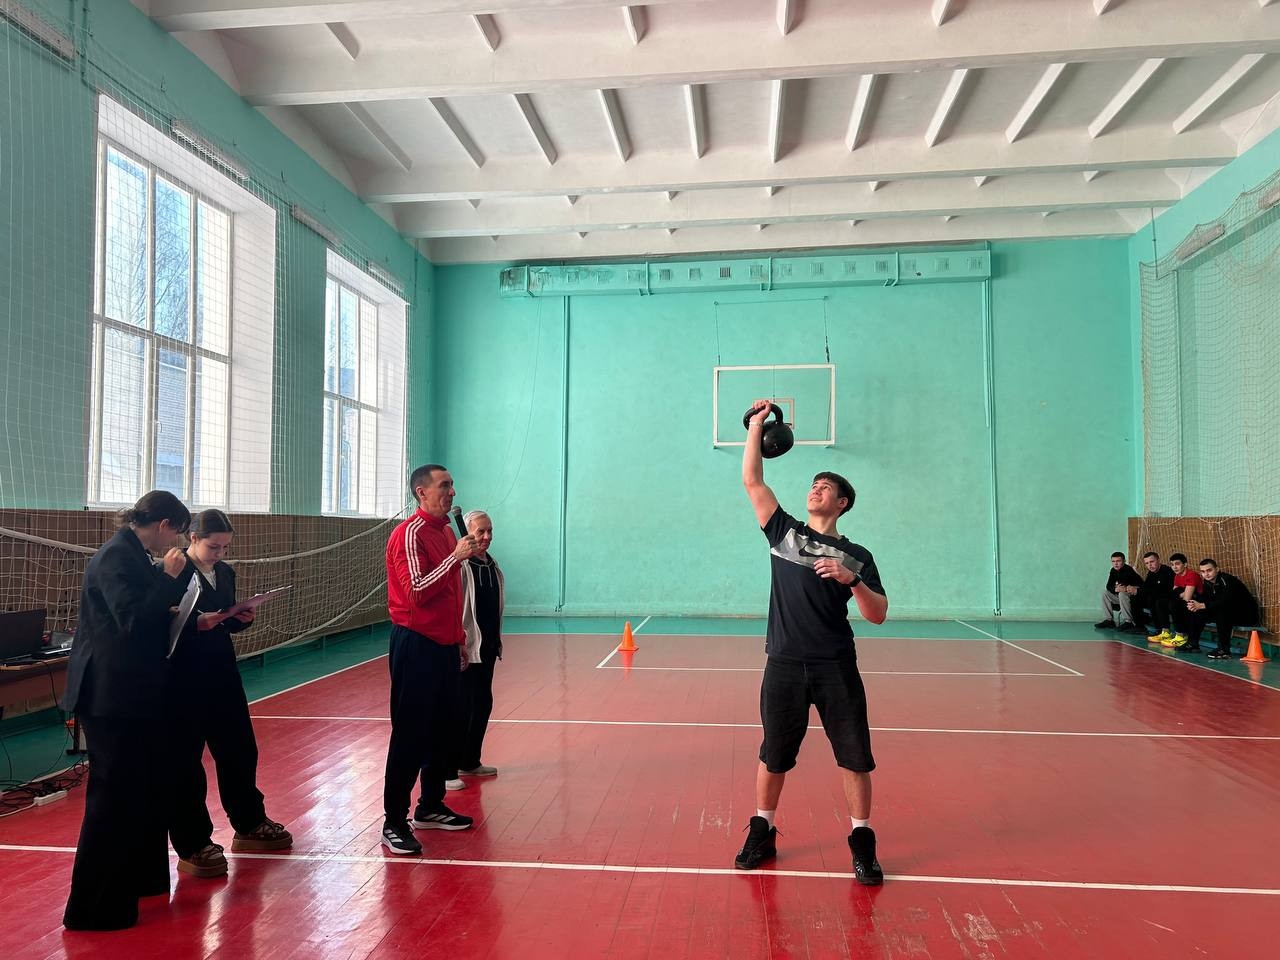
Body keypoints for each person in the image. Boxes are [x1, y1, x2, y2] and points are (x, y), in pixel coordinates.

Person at [737, 399, 889, 885]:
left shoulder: (857, 555)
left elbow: (878, 614)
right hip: (783, 663)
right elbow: (753, 482)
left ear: (842, 503)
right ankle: (763, 830)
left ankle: (862, 842)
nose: (815, 489)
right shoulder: (785, 534)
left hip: (834, 666)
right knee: (774, 754)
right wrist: (756, 426)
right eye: (813, 484)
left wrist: (852, 579)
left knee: (854, 756)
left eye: (825, 487)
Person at [63, 491, 191, 931]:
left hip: (133, 692)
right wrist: (169, 580)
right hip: (110, 695)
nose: (174, 542)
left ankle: (140, 880)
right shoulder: (116, 556)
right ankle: (94, 908)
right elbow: (132, 621)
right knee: (112, 798)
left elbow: (140, 612)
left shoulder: (133, 555)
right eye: (177, 532)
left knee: (142, 788)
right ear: (164, 525)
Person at [166, 509, 293, 880]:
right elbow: (164, 624)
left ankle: (249, 821)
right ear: (192, 538)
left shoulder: (224, 572)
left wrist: (240, 618)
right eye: (213, 546)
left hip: (222, 672)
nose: (219, 553)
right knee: (187, 762)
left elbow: (223, 618)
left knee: (239, 749)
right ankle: (193, 842)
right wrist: (197, 624)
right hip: (184, 678)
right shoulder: (174, 571)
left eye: (224, 548)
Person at [381, 464, 481, 855]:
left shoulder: (444, 532)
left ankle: (430, 805)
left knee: (445, 729)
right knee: (411, 733)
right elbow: (416, 591)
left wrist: (458, 639)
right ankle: (394, 821)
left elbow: (451, 596)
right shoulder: (409, 533)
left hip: (443, 645)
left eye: (452, 485)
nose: (452, 491)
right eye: (444, 485)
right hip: (415, 644)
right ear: (421, 493)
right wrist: (455, 558)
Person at [441, 510, 505, 791]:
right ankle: (447, 770)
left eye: (489, 530)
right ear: (468, 533)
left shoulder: (491, 564)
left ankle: (470, 761)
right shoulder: (461, 567)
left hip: (487, 647)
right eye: (480, 531)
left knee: (482, 704)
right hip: (466, 648)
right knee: (460, 708)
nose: (487, 536)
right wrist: (458, 642)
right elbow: (454, 607)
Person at [1186, 559, 1260, 661]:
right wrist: (1194, 604)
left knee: (1222, 612)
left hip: (1246, 615)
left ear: (1217, 569)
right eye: (1203, 571)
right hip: (1228, 612)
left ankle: (1224, 650)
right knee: (1197, 611)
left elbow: (1225, 601)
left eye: (1209, 570)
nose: (1206, 574)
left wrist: (1202, 605)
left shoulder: (1227, 581)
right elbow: (1205, 599)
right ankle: (1192, 644)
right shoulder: (1207, 583)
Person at [1163, 553, 1203, 651]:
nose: (1174, 567)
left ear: (1185, 564)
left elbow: (1186, 598)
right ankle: (1165, 632)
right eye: (1172, 564)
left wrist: (1178, 593)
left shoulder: (1191, 575)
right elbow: (1173, 594)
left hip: (1197, 603)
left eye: (1177, 564)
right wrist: (1180, 593)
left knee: (1175, 605)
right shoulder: (1177, 576)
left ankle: (1180, 635)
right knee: (1161, 602)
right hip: (1187, 601)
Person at [1095, 551, 1143, 632]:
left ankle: (1128, 622)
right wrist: (1115, 589)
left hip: (1134, 596)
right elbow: (1108, 586)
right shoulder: (1113, 570)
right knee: (1105, 593)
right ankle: (1109, 620)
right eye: (1113, 561)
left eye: (1118, 561)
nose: (1115, 564)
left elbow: (1127, 586)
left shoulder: (1128, 570)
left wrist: (1123, 588)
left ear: (1124, 561)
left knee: (1122, 594)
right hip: (1121, 596)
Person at [1136, 552, 1175, 642]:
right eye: (1147, 563)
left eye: (1152, 562)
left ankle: (1162, 630)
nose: (1150, 565)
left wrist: (1149, 591)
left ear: (1158, 560)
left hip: (1168, 599)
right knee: (1136, 598)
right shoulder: (1151, 573)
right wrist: (1136, 590)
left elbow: (1167, 591)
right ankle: (1139, 625)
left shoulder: (1167, 571)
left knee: (1156, 601)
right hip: (1157, 598)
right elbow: (1146, 587)